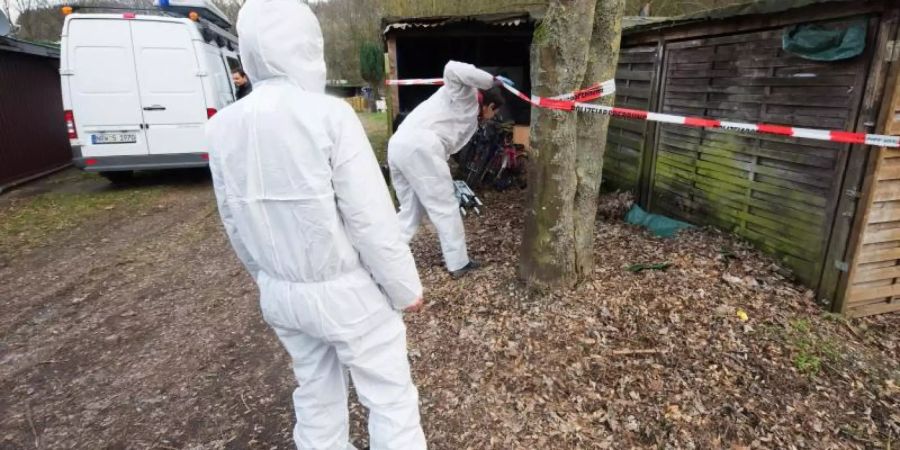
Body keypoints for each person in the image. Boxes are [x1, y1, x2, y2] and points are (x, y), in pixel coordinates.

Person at [206, 0, 427, 448]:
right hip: (345, 294)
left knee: (315, 395)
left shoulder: (222, 127)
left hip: (282, 296)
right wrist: (406, 289)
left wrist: (267, 279)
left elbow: (233, 220)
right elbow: (371, 219)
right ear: (306, 45)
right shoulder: (329, 115)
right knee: (389, 399)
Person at [387, 62, 503, 279]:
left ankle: (384, 255)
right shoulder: (465, 94)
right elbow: (451, 68)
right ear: (490, 106)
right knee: (445, 207)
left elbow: (451, 142)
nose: (493, 117)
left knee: (410, 209)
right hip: (420, 146)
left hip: (399, 145)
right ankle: (459, 263)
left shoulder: (470, 114)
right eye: (494, 113)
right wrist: (488, 80)